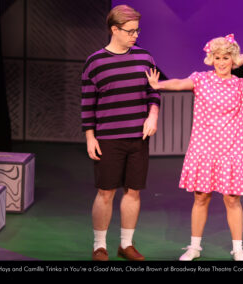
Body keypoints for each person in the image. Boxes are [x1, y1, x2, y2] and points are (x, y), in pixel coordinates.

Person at [145, 34, 243, 261]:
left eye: (226, 58)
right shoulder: (201, 80)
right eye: (217, 57)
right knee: (201, 198)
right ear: (212, 58)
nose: (221, 62)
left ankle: (238, 249)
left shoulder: (241, 85)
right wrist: (158, 84)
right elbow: (180, 83)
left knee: (232, 200)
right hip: (204, 149)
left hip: (232, 151)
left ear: (234, 60)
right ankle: (194, 247)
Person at [81, 5, 160, 261]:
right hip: (108, 137)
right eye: (129, 31)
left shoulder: (145, 58)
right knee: (106, 191)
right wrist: (90, 136)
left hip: (138, 137)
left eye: (137, 30)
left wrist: (153, 114)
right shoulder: (95, 62)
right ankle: (99, 246)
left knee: (133, 190)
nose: (135, 35)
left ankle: (125, 244)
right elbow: (87, 103)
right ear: (114, 29)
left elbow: (153, 92)